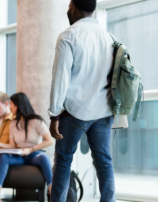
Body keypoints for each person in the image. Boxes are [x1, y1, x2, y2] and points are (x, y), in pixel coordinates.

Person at [48, 0, 116, 201]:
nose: (68, 9)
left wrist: (54, 115)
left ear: (74, 8)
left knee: (63, 161)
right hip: (104, 110)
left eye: (69, 5)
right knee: (104, 162)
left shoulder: (68, 36)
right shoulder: (109, 37)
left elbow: (60, 79)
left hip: (75, 111)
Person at [0, 92, 53, 202]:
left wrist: (30, 150)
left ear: (19, 105)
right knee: (4, 157)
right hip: (19, 155)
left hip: (34, 155)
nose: (10, 107)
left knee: (44, 158)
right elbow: (12, 145)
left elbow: (49, 141)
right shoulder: (13, 123)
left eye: (12, 104)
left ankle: (52, 194)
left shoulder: (37, 121)